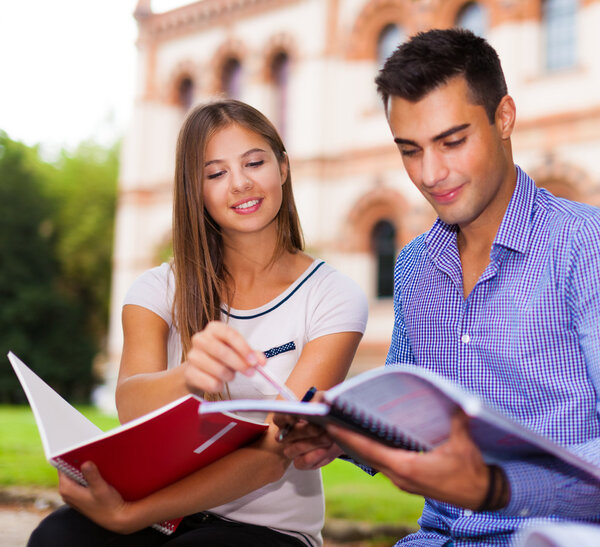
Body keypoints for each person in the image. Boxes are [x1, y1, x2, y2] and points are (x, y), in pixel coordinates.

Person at [271, 28, 600, 545]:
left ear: (504, 117)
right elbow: (408, 420)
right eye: (410, 150)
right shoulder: (415, 266)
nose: (431, 174)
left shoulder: (584, 246)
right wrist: (339, 434)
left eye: (452, 141)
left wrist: (495, 487)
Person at [27, 99, 368, 547]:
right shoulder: (155, 290)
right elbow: (131, 408)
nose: (241, 183)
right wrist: (188, 376)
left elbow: (273, 455)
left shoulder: (333, 296)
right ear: (196, 190)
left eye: (254, 162)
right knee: (58, 538)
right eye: (216, 173)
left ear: (283, 168)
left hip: (267, 531)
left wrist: (132, 516)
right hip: (159, 515)